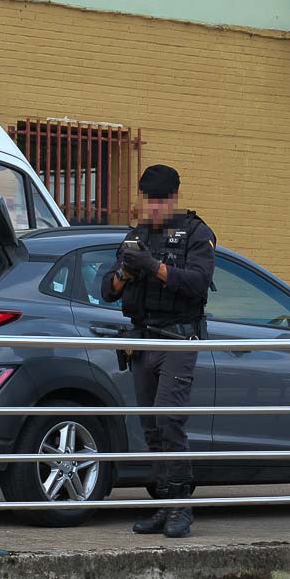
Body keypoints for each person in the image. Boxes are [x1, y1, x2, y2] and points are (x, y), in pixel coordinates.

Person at [101, 164, 216, 539]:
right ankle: (164, 505)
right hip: (143, 340)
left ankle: (181, 507)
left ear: (175, 198)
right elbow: (107, 289)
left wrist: (153, 266)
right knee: (151, 428)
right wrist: (125, 274)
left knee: (169, 421)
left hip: (179, 340)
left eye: (161, 200)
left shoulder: (197, 233)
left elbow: (198, 284)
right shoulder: (137, 235)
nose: (154, 208)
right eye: (148, 200)